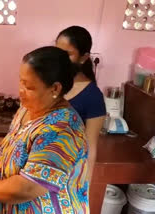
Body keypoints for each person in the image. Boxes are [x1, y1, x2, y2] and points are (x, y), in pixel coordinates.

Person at [0, 46, 90, 213]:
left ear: (55, 88)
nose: (21, 91)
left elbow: (27, 188)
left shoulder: (63, 130)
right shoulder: (27, 109)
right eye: (21, 81)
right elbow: (15, 150)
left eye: (29, 86)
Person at [56, 26, 106, 181]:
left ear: (83, 58)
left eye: (67, 54)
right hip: (40, 166)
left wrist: (85, 188)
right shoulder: (52, 82)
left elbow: (90, 149)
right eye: (57, 52)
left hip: (67, 172)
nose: (59, 59)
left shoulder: (93, 97)